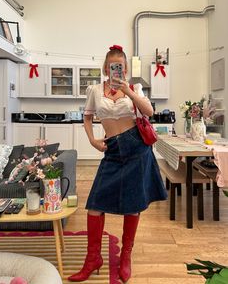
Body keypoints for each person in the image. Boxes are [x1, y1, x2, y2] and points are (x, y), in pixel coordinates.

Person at [68, 45, 167, 283]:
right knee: (95, 204)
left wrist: (129, 92)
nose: (116, 70)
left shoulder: (135, 88)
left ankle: (126, 257)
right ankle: (93, 259)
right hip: (112, 151)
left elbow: (149, 112)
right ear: (105, 68)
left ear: (125, 68)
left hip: (136, 150)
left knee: (132, 206)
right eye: (112, 66)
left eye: (120, 66)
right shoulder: (94, 90)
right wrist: (92, 140)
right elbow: (88, 116)